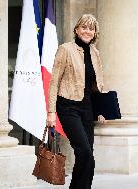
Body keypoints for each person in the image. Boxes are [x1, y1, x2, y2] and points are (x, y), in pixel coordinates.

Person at [47, 14, 106, 189]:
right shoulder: (65, 49)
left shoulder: (95, 53)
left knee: (88, 157)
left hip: (88, 107)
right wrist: (51, 112)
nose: (87, 31)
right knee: (84, 151)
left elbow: (98, 84)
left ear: (95, 32)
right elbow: (54, 82)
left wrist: (101, 108)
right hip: (68, 106)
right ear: (76, 29)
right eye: (84, 27)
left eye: (91, 28)